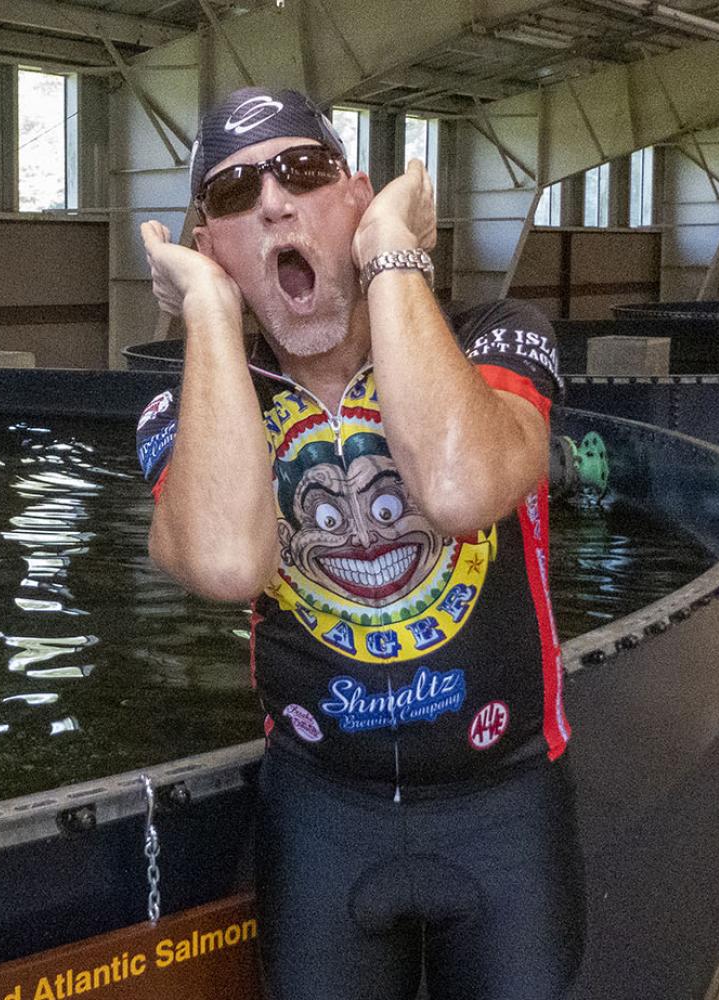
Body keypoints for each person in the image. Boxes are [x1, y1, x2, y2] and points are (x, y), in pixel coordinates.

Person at [135, 88, 585, 1000]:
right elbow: (226, 561)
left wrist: (392, 256)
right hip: (321, 817)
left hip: (505, 799)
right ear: (209, 243)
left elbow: (463, 488)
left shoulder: (494, 339)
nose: (272, 204)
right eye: (232, 197)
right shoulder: (200, 407)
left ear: (357, 196)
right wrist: (213, 318)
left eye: (303, 173)